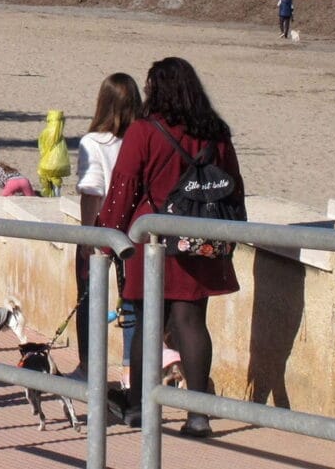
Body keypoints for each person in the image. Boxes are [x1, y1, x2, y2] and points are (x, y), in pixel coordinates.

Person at [98, 57, 244, 438]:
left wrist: (107, 237)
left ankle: (140, 409)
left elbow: (124, 185)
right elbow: (234, 184)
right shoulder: (215, 131)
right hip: (201, 236)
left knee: (148, 323)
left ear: (156, 90)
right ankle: (198, 415)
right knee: (192, 321)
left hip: (154, 237)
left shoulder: (146, 130)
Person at [72, 73, 141, 380]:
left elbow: (91, 191)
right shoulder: (141, 138)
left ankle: (89, 366)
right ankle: (130, 368)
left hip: (102, 226)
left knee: (89, 297)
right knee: (132, 299)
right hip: (134, 228)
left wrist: (87, 236)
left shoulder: (93, 142)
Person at [37, 110, 70, 196]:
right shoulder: (60, 134)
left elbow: (42, 147)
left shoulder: (46, 132)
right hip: (61, 164)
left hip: (47, 164)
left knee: (46, 178)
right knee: (56, 178)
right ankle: (57, 194)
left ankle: (49, 195)